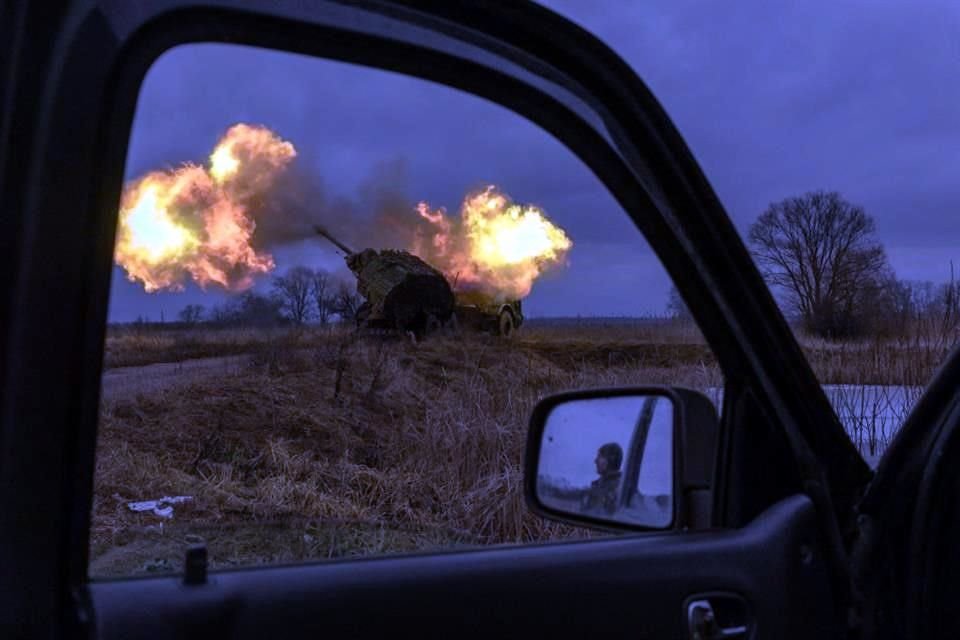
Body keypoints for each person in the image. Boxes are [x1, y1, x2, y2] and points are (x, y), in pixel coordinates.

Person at [580, 442, 623, 516]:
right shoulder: (597, 485)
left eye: (600, 457)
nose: (595, 461)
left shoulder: (619, 489)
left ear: (611, 459)